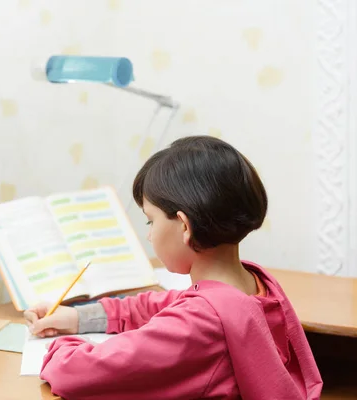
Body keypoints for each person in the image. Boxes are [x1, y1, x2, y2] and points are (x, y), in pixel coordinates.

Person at [24, 136, 322, 400]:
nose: (150, 234)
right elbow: (163, 304)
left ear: (184, 226)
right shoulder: (253, 285)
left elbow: (77, 374)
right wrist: (79, 316)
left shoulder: (202, 322)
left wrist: (63, 345)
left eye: (150, 220)